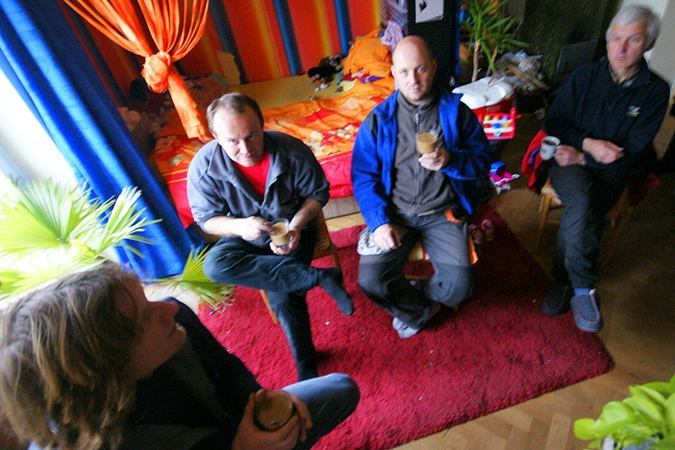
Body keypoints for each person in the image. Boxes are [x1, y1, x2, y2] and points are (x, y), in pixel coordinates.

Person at [0, 264, 360, 450]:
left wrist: (263, 405)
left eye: (146, 297)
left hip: (233, 429)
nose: (169, 308)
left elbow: (229, 370)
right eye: (144, 319)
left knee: (340, 388)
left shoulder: (175, 321)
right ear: (107, 370)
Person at [187, 93, 354, 381]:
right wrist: (241, 226)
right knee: (214, 265)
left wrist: (296, 226)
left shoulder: (292, 150)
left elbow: (317, 194)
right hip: (244, 233)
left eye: (252, 136)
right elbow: (207, 220)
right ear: (215, 137)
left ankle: (306, 367)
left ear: (262, 124)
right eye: (232, 141)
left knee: (284, 294)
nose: (245, 149)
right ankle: (318, 277)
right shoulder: (203, 166)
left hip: (293, 228)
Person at [351, 36, 491, 339]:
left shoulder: (457, 113)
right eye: (404, 72)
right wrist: (378, 222)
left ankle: (418, 300)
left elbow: (482, 162)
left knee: (461, 286)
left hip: (443, 213)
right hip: (396, 214)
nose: (413, 80)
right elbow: (363, 177)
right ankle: (422, 310)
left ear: (434, 67)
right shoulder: (378, 120)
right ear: (393, 73)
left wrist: (451, 160)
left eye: (421, 69)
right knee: (371, 281)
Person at [540, 5, 669, 333]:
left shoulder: (655, 90)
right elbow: (555, 122)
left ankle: (563, 281)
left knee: (585, 209)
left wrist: (586, 158)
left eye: (633, 40)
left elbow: (636, 149)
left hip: (614, 169)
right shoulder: (584, 76)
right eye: (615, 38)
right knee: (583, 204)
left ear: (649, 44)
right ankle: (583, 287)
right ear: (608, 39)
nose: (620, 48)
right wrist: (587, 144)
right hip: (568, 159)